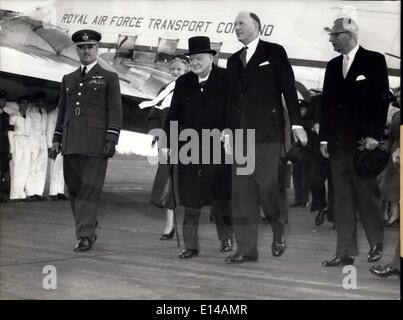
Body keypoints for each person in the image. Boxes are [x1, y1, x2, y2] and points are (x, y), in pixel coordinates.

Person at [223, 12, 307, 264]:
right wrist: (227, 132)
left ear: (257, 27)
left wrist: (297, 124)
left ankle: (278, 229)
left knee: (267, 187)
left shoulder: (274, 52)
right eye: (234, 24)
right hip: (240, 137)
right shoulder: (233, 61)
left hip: (268, 134)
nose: (236, 28)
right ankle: (246, 249)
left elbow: (289, 90)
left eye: (241, 24)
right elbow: (231, 102)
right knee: (242, 194)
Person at [320, 18, 390, 267]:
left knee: (367, 197)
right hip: (338, 145)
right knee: (342, 200)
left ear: (350, 35)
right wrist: (325, 138)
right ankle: (344, 252)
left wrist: (374, 135)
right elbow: (326, 105)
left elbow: (382, 100)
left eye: (334, 35)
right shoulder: (331, 66)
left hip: (362, 145)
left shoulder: (374, 61)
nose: (331, 39)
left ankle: (376, 245)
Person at [50, 29, 122, 252]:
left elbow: (116, 110)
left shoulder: (109, 78)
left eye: (90, 46)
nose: (86, 51)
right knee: (74, 190)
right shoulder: (68, 79)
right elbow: (63, 111)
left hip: (95, 144)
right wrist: (56, 139)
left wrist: (112, 138)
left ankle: (84, 235)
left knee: (89, 190)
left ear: (97, 49)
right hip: (71, 143)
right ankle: (87, 225)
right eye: (81, 47)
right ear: (77, 50)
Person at [163, 36, 232, 259]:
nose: (195, 63)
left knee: (220, 197)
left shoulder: (226, 79)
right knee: (191, 199)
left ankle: (226, 238)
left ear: (211, 58)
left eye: (199, 58)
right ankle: (190, 245)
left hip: (218, 148)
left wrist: (228, 130)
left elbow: (236, 110)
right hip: (189, 148)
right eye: (192, 59)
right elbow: (173, 115)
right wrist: (168, 142)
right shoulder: (183, 82)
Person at [143, 55, 190, 240]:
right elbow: (154, 113)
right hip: (166, 142)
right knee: (167, 181)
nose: (176, 72)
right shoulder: (165, 89)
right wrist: (155, 133)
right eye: (173, 69)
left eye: (179, 69)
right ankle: (169, 225)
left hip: (188, 141)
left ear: (187, 69)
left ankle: (187, 226)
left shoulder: (194, 88)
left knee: (185, 183)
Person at [303, 94, 334, 227]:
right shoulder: (316, 100)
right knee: (314, 180)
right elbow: (305, 120)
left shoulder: (348, 99)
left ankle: (335, 217)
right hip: (317, 150)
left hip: (337, 150)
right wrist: (314, 125)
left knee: (336, 185)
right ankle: (322, 207)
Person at [379, 88, 400, 227]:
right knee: (387, 182)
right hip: (394, 149)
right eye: (398, 96)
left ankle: (395, 213)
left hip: (399, 149)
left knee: (395, 183)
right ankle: (391, 213)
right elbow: (392, 135)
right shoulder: (396, 115)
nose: (398, 98)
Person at [8, 95, 31, 201]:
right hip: (17, 142)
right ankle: (14, 194)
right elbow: (10, 133)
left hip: (27, 142)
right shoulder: (14, 117)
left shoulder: (29, 118)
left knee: (25, 168)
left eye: (26, 103)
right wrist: (11, 148)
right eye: (23, 103)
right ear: (18, 104)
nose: (25, 105)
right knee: (16, 168)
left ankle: (21, 192)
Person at [25, 92, 48, 201]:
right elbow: (28, 129)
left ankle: (38, 192)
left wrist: (48, 144)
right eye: (40, 100)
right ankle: (30, 192)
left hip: (43, 140)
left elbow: (46, 130)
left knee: (42, 167)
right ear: (36, 101)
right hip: (33, 141)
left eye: (43, 100)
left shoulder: (44, 113)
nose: (42, 103)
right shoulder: (30, 112)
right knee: (32, 167)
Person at [46, 97, 67, 200]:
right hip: (54, 146)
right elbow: (49, 130)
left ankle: (60, 191)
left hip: (63, 146)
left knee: (61, 170)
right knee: (54, 169)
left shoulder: (65, 116)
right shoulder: (52, 115)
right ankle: (53, 192)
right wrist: (50, 146)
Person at [0, 90, 12, 201]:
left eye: (4, 100)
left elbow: (6, 133)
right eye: (1, 99)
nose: (3, 101)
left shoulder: (5, 116)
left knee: (2, 171)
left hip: (3, 148)